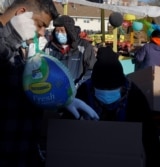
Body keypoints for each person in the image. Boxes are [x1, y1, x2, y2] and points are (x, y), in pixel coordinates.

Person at [0, 1, 98, 167]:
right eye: (40, 25)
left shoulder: (16, 46)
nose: (42, 33)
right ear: (21, 13)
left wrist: (60, 99)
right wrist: (12, 36)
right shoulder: (9, 41)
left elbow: (18, 94)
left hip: (22, 152)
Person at [71, 46, 160, 167]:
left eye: (112, 89)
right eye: (102, 89)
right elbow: (68, 130)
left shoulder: (134, 94)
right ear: (93, 86)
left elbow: (149, 135)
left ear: (122, 86)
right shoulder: (84, 92)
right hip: (92, 153)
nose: (107, 93)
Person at [44, 15, 97, 87]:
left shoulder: (84, 46)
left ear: (69, 31)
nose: (59, 34)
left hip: (79, 91)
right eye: (57, 30)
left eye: (62, 31)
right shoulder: (49, 47)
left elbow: (91, 70)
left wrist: (79, 86)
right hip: (56, 90)